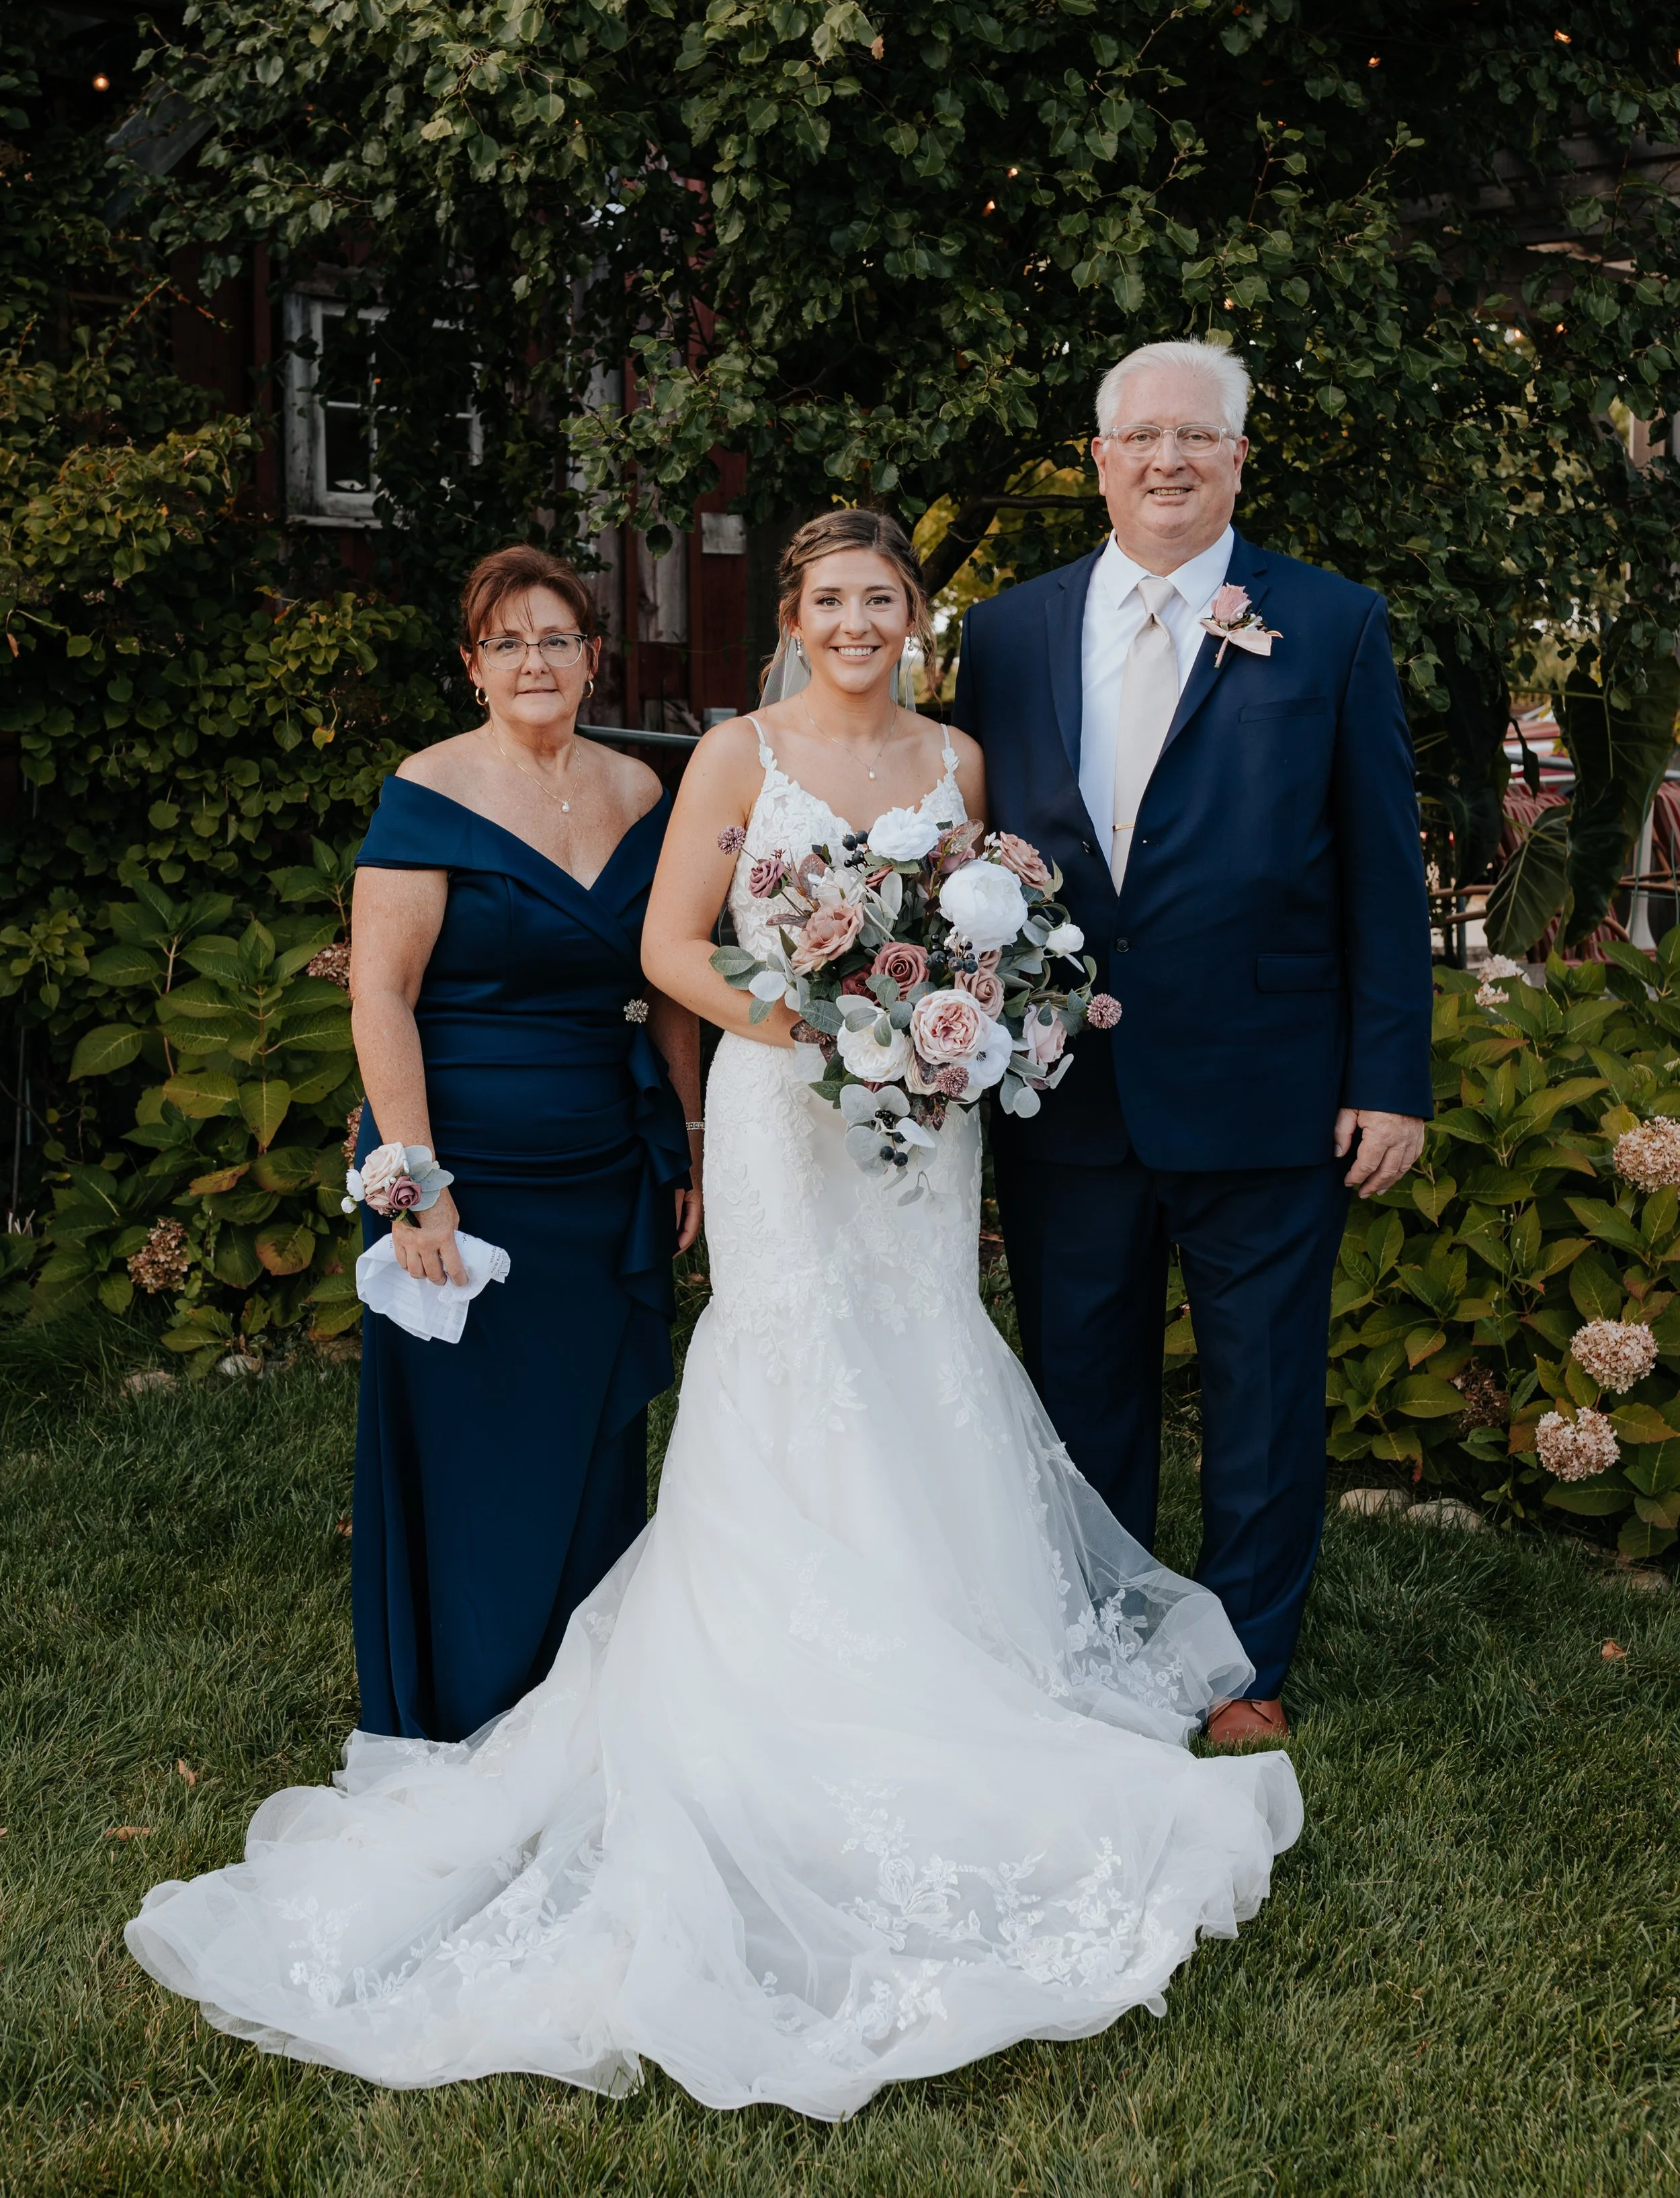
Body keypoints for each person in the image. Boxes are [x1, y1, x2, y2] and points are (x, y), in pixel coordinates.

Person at [126, 507, 1299, 2119]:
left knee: (924, 1355)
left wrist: (950, 1031)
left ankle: (948, 1653)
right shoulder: (732, 756)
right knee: (787, 1363)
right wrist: (827, 1027)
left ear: (914, 616)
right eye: (828, 599)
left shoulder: (958, 762)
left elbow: (991, 926)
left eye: (881, 599)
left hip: (916, 1125)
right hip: (786, 1102)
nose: (855, 621)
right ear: (794, 618)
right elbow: (671, 948)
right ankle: (754, 1680)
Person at [953, 337, 1434, 1749]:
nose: (1167, 460)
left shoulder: (1331, 624)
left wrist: (1385, 1078)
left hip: (1268, 1079)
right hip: (1063, 1087)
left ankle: (1239, 1669)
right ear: (1094, 461)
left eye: (1196, 438)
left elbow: (1380, 869)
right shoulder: (1005, 631)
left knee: (1263, 1391)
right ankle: (1097, 1639)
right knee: (1077, 1375)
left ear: (1237, 458)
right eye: (1140, 438)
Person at [339, 543, 699, 1742]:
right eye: (509, 641)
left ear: (595, 659)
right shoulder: (428, 793)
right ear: (472, 667)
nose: (535, 661)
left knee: (592, 1449)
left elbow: (671, 983)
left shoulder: (643, 793)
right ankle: (464, 1705)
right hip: (468, 1171)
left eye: (557, 639)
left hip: (603, 1163)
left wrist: (688, 1136)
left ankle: (578, 1712)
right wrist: (417, 1185)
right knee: (471, 1446)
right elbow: (381, 995)